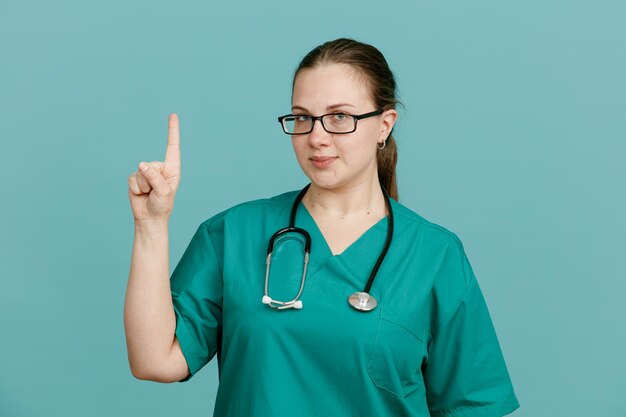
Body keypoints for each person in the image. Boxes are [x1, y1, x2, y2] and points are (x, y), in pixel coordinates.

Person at [124, 37, 520, 417]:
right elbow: (155, 360)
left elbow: (473, 405)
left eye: (339, 117)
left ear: (384, 125)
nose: (316, 137)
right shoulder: (233, 234)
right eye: (302, 118)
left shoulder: (434, 256)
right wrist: (151, 225)